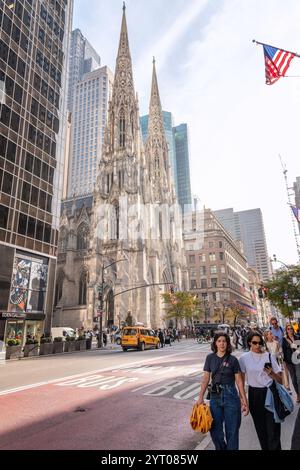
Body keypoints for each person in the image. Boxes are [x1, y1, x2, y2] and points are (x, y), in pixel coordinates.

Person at [196, 332, 248, 450]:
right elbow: (205, 378)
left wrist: (244, 400)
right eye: (219, 341)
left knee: (232, 432)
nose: (222, 344)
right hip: (215, 396)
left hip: (231, 396)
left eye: (224, 341)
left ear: (227, 343)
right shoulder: (210, 358)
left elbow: (239, 382)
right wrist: (200, 397)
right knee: (215, 431)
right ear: (215, 343)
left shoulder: (233, 360)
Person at [239, 331, 283, 450]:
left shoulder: (268, 356)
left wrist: (272, 373)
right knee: (261, 430)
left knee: (273, 431)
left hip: (270, 393)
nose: (258, 345)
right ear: (249, 343)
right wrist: (243, 400)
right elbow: (240, 382)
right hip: (254, 395)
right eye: (254, 343)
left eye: (259, 342)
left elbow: (281, 380)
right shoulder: (243, 358)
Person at [282, 324, 300, 403]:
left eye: (291, 329)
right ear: (286, 330)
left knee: (299, 378)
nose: (290, 330)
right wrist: (284, 361)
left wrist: (291, 343)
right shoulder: (284, 339)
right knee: (293, 379)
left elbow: (298, 348)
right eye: (288, 329)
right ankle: (298, 395)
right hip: (289, 361)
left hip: (297, 359)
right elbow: (283, 350)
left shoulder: (297, 337)